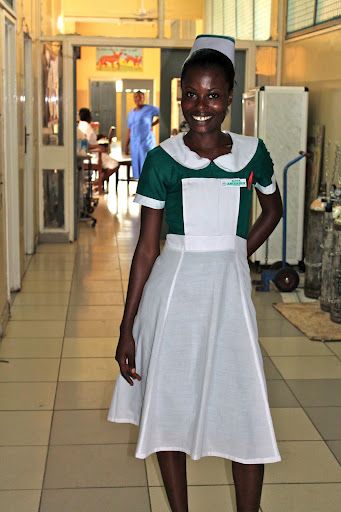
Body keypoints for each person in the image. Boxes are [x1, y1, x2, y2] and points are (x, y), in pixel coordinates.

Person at [108, 35, 282, 512]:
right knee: (169, 402)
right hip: (174, 291)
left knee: (243, 402)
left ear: (229, 97)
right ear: (179, 96)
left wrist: (235, 251)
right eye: (190, 94)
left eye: (212, 95)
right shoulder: (163, 160)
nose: (200, 106)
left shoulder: (252, 153)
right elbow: (147, 250)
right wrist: (127, 329)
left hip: (228, 295)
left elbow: (273, 208)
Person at [77, 108, 119, 190]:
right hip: (93, 155)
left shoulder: (81, 125)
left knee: (107, 163)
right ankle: (97, 183)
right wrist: (98, 147)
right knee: (115, 164)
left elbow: (89, 140)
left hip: (93, 153)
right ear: (88, 116)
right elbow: (86, 144)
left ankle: (98, 181)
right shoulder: (86, 127)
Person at [124, 91, 159, 179]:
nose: (138, 99)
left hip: (146, 142)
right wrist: (126, 144)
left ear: (144, 98)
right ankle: (139, 189)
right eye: (136, 97)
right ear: (133, 99)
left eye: (140, 97)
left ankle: (148, 189)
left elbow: (163, 114)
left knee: (147, 165)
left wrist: (152, 124)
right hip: (134, 144)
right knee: (137, 167)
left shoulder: (150, 109)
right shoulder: (131, 113)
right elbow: (130, 129)